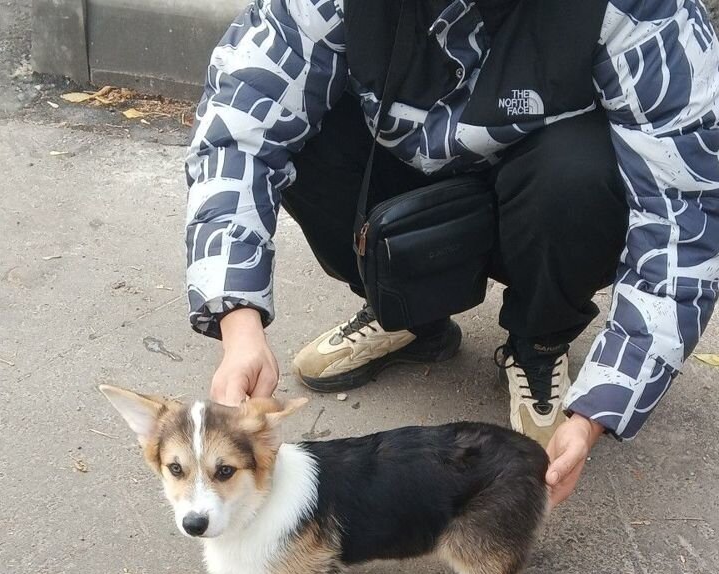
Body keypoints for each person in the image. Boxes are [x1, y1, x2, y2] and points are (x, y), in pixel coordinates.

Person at [185, 0, 719, 506]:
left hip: (549, 199)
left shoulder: (644, 10)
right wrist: (239, 323)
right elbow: (239, 127)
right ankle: (406, 313)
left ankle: (540, 341)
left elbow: (685, 213)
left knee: (582, 174)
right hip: (402, 185)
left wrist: (598, 409)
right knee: (304, 133)